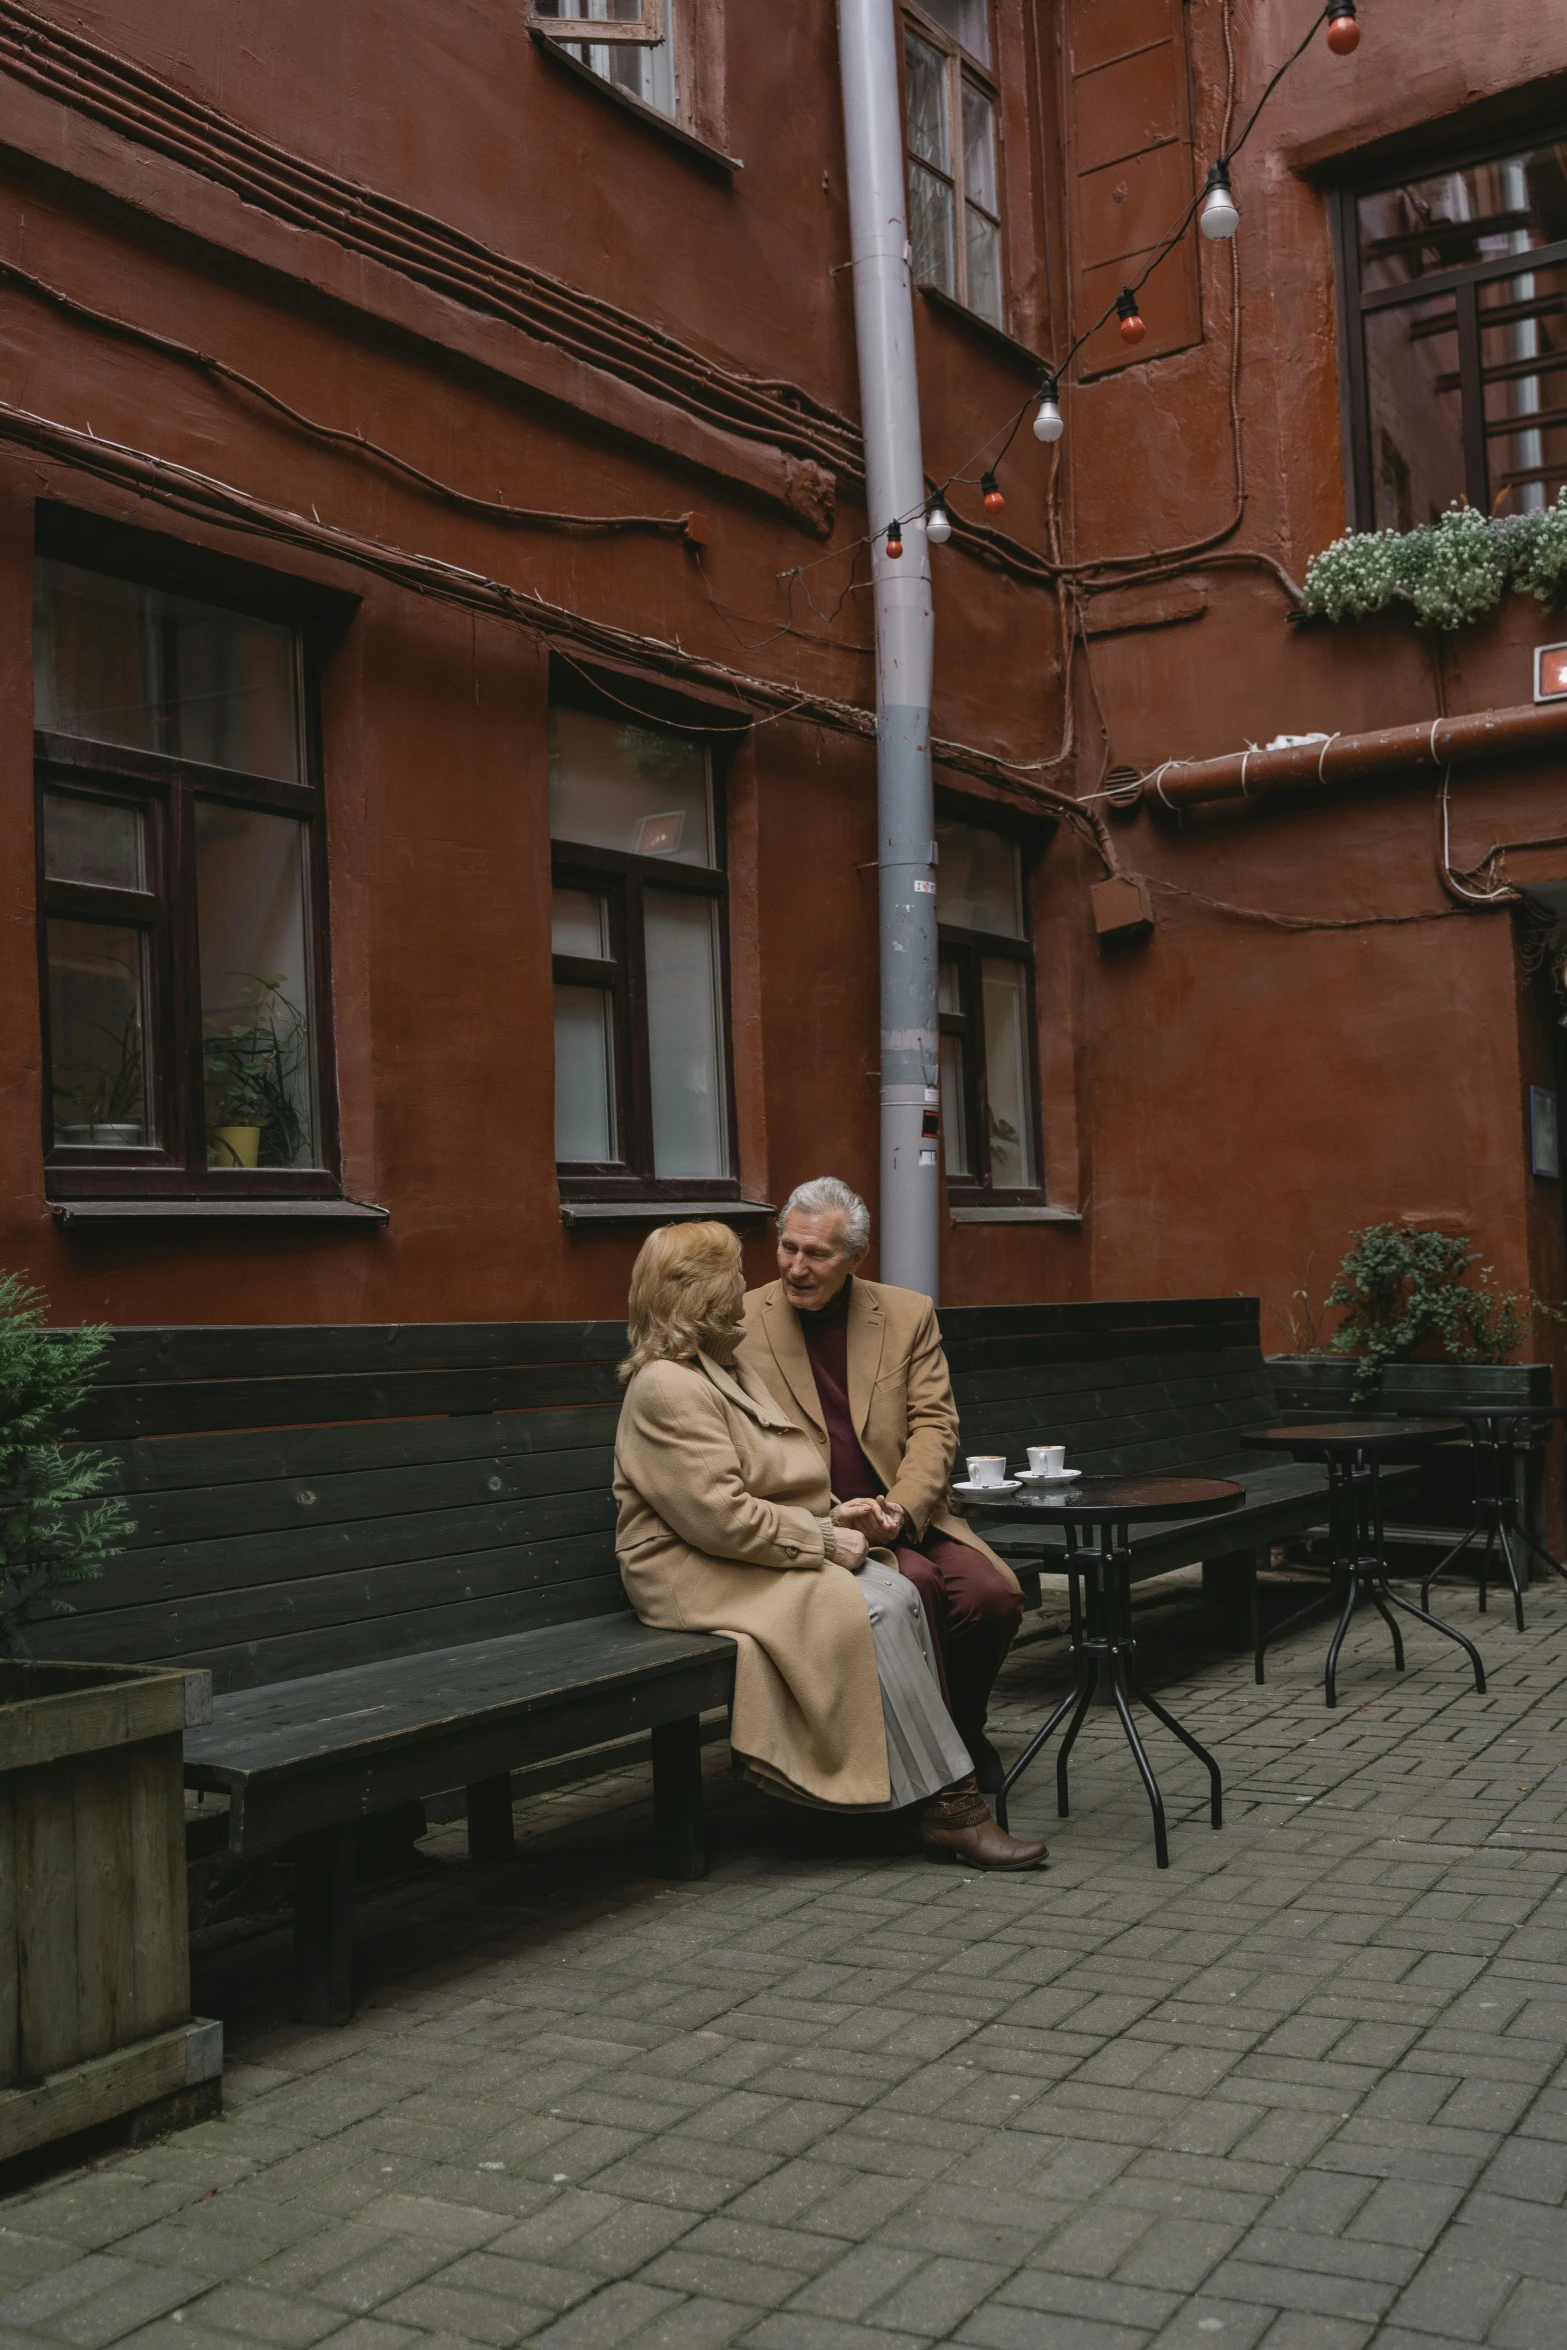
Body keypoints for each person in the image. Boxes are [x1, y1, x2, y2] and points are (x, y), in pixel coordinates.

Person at [613, 1220, 1046, 1869]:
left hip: (741, 1551)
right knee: (867, 1607)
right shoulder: (666, 1387)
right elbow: (717, 1519)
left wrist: (835, 1513)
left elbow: (767, 1484)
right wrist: (819, 1537)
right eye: (731, 1274)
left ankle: (911, 1796)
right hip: (689, 1569)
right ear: (700, 1293)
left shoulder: (716, 1366)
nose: (749, 1283)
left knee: (896, 1591)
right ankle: (951, 1810)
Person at [737, 1176, 1023, 1792]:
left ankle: (959, 1733)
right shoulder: (742, 1323)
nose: (797, 1267)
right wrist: (832, 1521)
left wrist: (899, 1509)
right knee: (914, 1587)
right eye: (789, 1248)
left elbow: (935, 1426)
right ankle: (937, 1775)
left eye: (817, 1254)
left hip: (907, 1514)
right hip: (817, 1525)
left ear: (855, 1258)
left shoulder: (905, 1313)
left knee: (991, 1598)